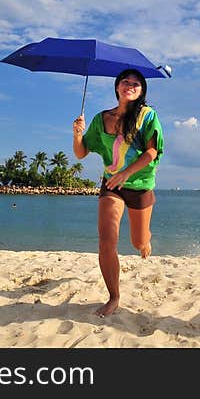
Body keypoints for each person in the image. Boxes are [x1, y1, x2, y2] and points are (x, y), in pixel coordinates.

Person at [72, 68, 164, 317]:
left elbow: (152, 152)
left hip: (140, 185)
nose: (130, 86)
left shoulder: (147, 116)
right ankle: (114, 297)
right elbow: (81, 153)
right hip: (112, 186)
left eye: (136, 83)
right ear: (117, 87)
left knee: (138, 241)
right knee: (106, 241)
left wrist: (127, 173)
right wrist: (77, 133)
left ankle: (146, 240)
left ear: (142, 90)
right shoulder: (102, 118)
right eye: (126, 81)